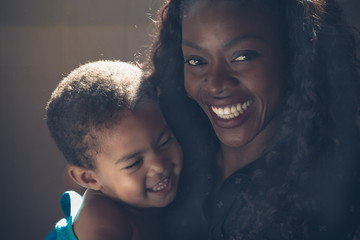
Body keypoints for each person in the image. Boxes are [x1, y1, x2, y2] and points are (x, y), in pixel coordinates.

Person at [146, 0, 360, 239]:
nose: (216, 84)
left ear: (295, 55)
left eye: (242, 57)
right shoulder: (160, 159)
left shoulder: (344, 185)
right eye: (196, 61)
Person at [45, 60, 183, 240]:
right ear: (90, 178)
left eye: (165, 142)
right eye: (134, 163)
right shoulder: (100, 221)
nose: (158, 164)